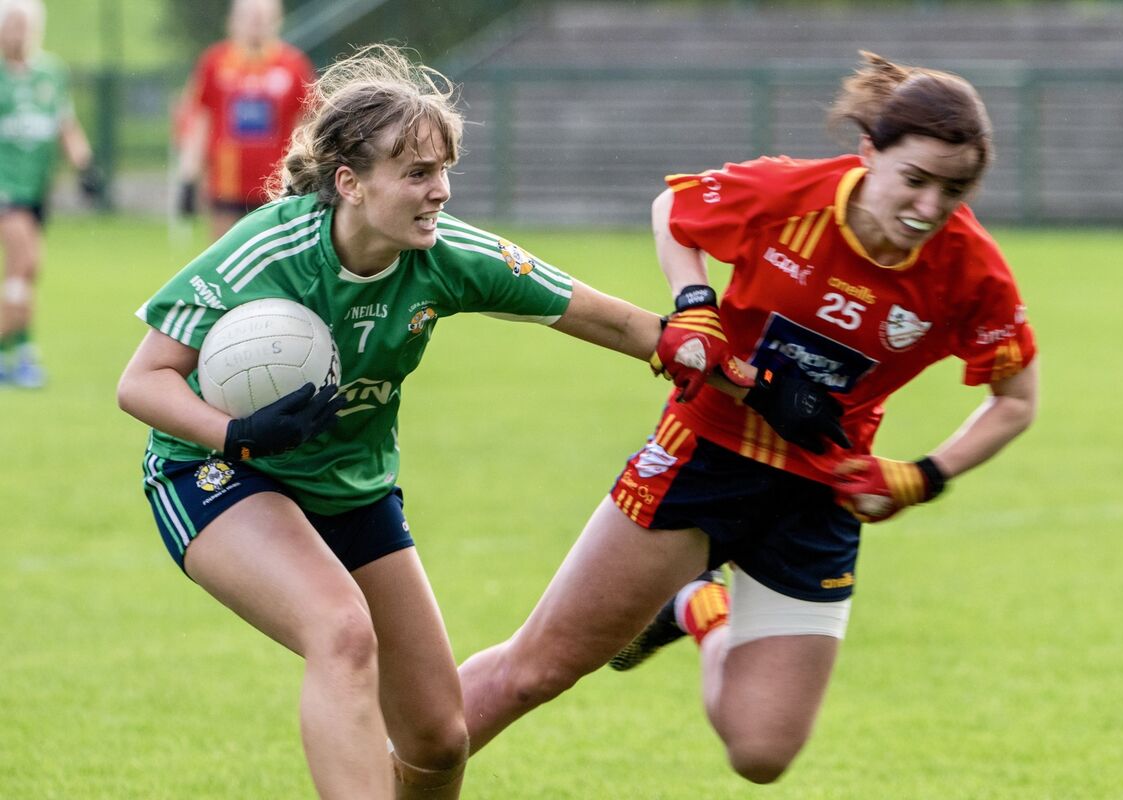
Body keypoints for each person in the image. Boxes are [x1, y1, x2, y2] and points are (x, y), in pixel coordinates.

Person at [116, 43, 826, 799]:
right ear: (351, 183)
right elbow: (143, 381)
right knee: (341, 631)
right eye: (418, 173)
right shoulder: (267, 249)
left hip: (350, 485)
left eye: (445, 170)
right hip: (217, 472)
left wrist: (752, 383)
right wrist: (238, 434)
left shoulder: (447, 256)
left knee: (439, 737)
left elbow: (624, 327)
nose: (441, 192)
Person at [457, 51, 1040, 785]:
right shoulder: (792, 194)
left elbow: (1015, 400)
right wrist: (696, 305)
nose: (928, 208)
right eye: (915, 180)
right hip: (704, 455)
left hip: (820, 493)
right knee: (533, 673)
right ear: (869, 153)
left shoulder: (970, 272)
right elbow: (677, 209)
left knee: (762, 753)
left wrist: (921, 476)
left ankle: (697, 607)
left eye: (953, 191)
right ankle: (375, 772)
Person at [0, 0, 102, 387]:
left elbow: (66, 125)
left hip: (35, 188)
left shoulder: (51, 73)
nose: (18, 32)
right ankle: (21, 354)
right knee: (23, 259)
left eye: (25, 25)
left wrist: (85, 166)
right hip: (4, 188)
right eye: (11, 24)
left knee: (25, 271)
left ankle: (16, 352)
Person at [175, 0, 314, 240]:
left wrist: (305, 173)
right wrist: (188, 177)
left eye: (263, 17)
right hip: (226, 184)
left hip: (276, 184)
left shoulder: (293, 66)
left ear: (277, 19)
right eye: (249, 16)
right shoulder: (215, 62)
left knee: (272, 260)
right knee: (224, 258)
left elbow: (306, 125)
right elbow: (201, 122)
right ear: (233, 21)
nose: (256, 23)